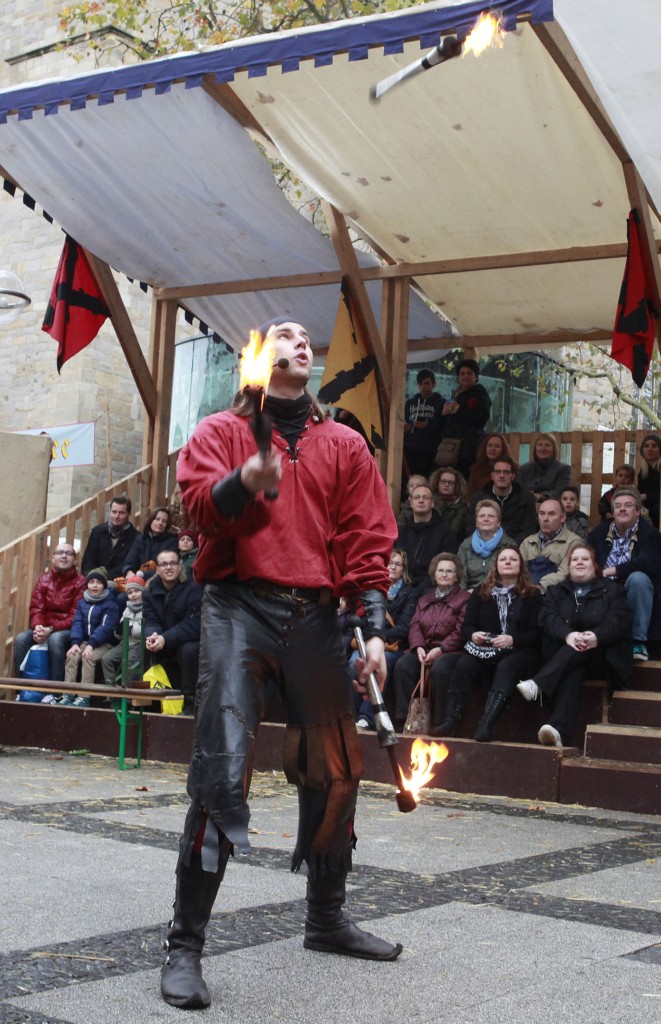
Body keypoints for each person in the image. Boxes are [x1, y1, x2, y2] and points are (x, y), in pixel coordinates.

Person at [161, 318, 402, 1011]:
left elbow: (366, 539)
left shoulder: (344, 443)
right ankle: (184, 947)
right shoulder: (220, 432)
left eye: (304, 338)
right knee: (221, 768)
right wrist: (243, 482)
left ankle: (326, 920)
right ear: (259, 357)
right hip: (238, 608)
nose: (299, 341)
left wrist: (373, 631)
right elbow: (200, 511)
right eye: (284, 335)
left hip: (317, 617)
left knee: (335, 769)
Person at [517, 544, 632, 748]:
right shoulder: (556, 591)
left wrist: (596, 637)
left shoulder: (613, 590)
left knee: (582, 648)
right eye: (575, 559)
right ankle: (558, 731)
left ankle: (539, 684)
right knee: (576, 663)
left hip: (603, 658)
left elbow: (619, 620)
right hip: (566, 661)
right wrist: (568, 635)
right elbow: (547, 618)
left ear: (595, 566)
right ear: (569, 566)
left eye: (585, 559)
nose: (579, 562)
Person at [433, 546, 542, 742]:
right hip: (486, 651)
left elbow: (538, 632)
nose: (507, 562)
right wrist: (474, 635)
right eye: (503, 559)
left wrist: (513, 639)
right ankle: (450, 720)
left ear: (521, 565)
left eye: (513, 559)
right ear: (496, 565)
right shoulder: (481, 592)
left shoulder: (533, 594)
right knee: (464, 664)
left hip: (521, 652)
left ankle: (486, 724)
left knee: (507, 666)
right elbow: (467, 626)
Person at [392, 553, 470, 730]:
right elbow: (414, 625)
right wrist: (418, 646)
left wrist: (441, 649)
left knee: (440, 669)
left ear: (456, 576)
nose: (444, 574)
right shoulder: (425, 598)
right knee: (403, 665)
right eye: (440, 570)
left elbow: (461, 631)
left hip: (451, 651)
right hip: (424, 648)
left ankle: (439, 722)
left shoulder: (465, 598)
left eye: (449, 571)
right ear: (434, 574)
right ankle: (404, 720)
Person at [587, 487, 661, 662]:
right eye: (618, 506)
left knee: (638, 579)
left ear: (638, 511)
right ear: (612, 511)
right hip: (603, 587)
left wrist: (612, 571)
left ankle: (638, 641)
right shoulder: (599, 532)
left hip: (631, 588)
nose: (622, 509)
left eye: (628, 505)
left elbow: (647, 562)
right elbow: (587, 556)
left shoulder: (650, 534)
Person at [352, 549, 417, 731]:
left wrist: (379, 637)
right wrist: (372, 638)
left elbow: (404, 627)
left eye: (398, 564)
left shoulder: (409, 593)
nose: (393, 567)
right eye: (390, 563)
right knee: (353, 663)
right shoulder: (372, 589)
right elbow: (362, 618)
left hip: (393, 645)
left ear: (403, 569)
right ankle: (354, 715)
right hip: (369, 641)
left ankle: (367, 717)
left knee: (380, 664)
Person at [12, 543, 86, 682]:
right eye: (60, 552)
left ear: (75, 560)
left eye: (69, 553)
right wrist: (38, 627)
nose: (64, 556)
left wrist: (51, 629)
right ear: (53, 558)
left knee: (55, 639)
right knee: (21, 639)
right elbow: (36, 608)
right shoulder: (44, 580)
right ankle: (21, 688)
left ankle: (54, 689)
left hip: (68, 629)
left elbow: (75, 615)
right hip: (44, 627)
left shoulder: (81, 582)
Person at [142, 550, 203, 714]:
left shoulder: (194, 588)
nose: (168, 567)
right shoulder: (149, 592)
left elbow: (193, 624)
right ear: (157, 569)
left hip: (190, 641)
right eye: (164, 564)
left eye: (173, 563)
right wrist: (153, 635)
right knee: (147, 646)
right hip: (165, 640)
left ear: (179, 566)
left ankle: (191, 702)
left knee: (188, 650)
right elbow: (151, 620)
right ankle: (146, 703)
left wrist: (165, 638)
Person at [63, 568, 120, 702]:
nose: (94, 585)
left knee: (88, 657)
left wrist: (91, 644)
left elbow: (106, 627)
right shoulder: (82, 602)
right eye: (91, 582)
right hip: (85, 642)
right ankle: (67, 693)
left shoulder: (111, 604)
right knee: (72, 655)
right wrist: (75, 643)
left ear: (104, 585)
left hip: (104, 643)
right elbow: (77, 623)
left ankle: (84, 697)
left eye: (99, 582)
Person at [396, 483, 457, 590]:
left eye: (425, 497)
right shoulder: (401, 532)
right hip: (401, 586)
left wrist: (418, 591)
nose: (421, 500)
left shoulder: (445, 533)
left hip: (430, 588)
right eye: (417, 497)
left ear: (432, 503)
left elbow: (444, 568)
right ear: (411, 503)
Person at [439, 358, 492, 479]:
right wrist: (443, 413)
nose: (465, 376)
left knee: (464, 478)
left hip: (469, 448)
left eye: (469, 373)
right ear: (458, 377)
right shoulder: (455, 394)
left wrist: (459, 410)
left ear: (476, 377)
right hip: (449, 447)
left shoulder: (480, 394)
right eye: (462, 374)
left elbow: (481, 418)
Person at [466, 456, 538, 544]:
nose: (502, 475)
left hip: (515, 547)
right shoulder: (478, 498)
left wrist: (509, 546)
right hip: (484, 546)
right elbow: (471, 528)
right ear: (492, 475)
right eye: (498, 472)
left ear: (513, 476)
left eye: (506, 472)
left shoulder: (526, 498)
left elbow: (528, 530)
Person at [519, 497, 581, 591]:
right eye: (542, 513)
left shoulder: (574, 543)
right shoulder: (527, 542)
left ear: (562, 517)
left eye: (551, 514)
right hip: (526, 592)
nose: (545, 519)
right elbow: (518, 570)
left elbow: (564, 573)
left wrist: (539, 587)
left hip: (556, 594)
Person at [457, 500, 516, 591]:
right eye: (482, 516)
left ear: (499, 522)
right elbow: (460, 577)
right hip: (470, 594)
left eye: (491, 516)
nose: (486, 519)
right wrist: (463, 595)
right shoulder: (466, 546)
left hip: (498, 592)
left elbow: (511, 577)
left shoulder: (509, 545)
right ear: (476, 522)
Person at [100, 574, 146, 686]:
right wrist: (118, 631)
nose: (133, 595)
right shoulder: (127, 609)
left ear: (143, 592)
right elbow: (120, 633)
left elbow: (145, 629)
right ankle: (111, 689)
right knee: (106, 659)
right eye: (130, 592)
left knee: (130, 663)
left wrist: (130, 629)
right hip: (125, 642)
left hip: (138, 644)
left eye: (137, 591)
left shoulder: (147, 608)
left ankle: (128, 692)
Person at [81, 496, 139, 580]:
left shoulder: (136, 538)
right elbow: (88, 560)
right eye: (114, 512)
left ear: (129, 514)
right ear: (109, 512)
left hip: (119, 582)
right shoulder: (97, 532)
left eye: (121, 513)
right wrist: (92, 577)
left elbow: (130, 565)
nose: (116, 516)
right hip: (93, 580)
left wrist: (105, 578)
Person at [402, 369, 446, 478]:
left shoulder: (441, 403)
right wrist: (406, 427)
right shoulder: (410, 403)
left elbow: (443, 425)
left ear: (433, 384)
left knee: (423, 478)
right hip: (409, 446)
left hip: (429, 448)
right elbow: (404, 420)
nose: (423, 387)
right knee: (407, 478)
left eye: (426, 383)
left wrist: (428, 425)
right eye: (420, 384)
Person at [123, 507, 179, 576]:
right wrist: (129, 572)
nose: (160, 523)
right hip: (136, 578)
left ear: (167, 525)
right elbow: (129, 562)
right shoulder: (140, 539)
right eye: (157, 519)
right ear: (151, 521)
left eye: (164, 521)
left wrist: (142, 574)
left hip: (160, 579)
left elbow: (167, 568)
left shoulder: (172, 542)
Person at [516, 432, 571, 501]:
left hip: (551, 505)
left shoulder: (563, 469)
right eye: (540, 445)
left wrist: (539, 497)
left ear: (554, 449)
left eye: (547, 445)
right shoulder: (524, 469)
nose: (543, 448)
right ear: (535, 449)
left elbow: (560, 492)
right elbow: (516, 490)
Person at [428, 466, 468, 543]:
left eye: (451, 482)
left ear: (456, 486)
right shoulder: (429, 502)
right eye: (443, 481)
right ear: (437, 484)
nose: (446, 484)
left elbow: (453, 531)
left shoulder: (461, 507)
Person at [637, 434, 661, 529]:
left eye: (654, 446)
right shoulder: (643, 472)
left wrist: (646, 496)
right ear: (642, 450)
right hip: (647, 510)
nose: (650, 449)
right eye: (646, 446)